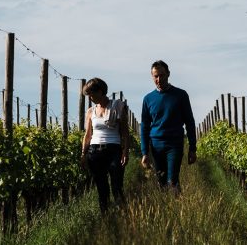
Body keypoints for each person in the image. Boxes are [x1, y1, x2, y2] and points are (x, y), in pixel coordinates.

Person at [140, 60, 196, 190]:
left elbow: (189, 121)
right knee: (161, 181)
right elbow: (144, 127)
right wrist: (144, 152)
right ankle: (165, 207)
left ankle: (177, 207)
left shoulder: (181, 95)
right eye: (156, 76)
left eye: (162, 75)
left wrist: (192, 148)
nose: (159, 79)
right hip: (156, 145)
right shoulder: (148, 99)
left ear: (168, 74)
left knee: (173, 181)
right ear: (152, 76)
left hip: (174, 144)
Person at [80, 78, 129, 212]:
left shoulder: (117, 106)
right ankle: (106, 218)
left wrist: (125, 152)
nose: (90, 97)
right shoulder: (90, 111)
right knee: (101, 187)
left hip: (114, 149)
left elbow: (125, 132)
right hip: (95, 151)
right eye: (88, 94)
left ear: (100, 91)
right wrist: (83, 154)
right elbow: (88, 135)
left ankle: (123, 216)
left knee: (117, 185)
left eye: (91, 94)